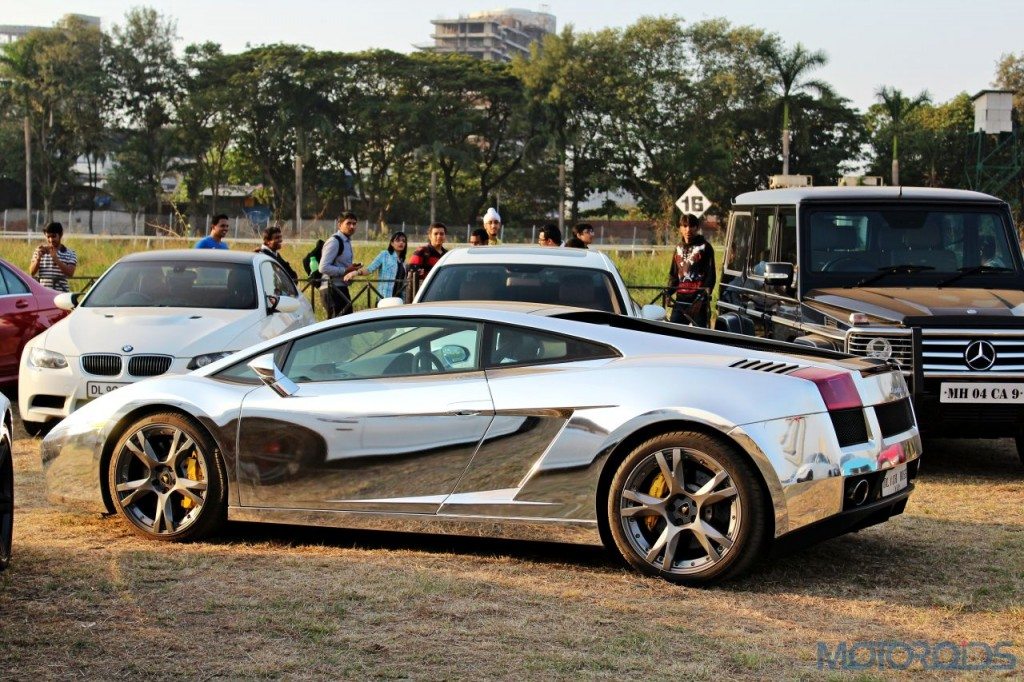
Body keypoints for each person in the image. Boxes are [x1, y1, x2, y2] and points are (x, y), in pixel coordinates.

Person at [668, 213, 716, 327]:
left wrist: (702, 299)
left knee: (699, 338)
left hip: (698, 302)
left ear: (697, 228)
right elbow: (674, 275)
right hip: (680, 301)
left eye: (691, 226)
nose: (688, 230)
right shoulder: (678, 248)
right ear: (680, 228)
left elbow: (710, 276)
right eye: (684, 226)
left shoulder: (705, 247)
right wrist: (668, 293)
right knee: (673, 334)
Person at [319, 212, 362, 318]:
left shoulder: (346, 241)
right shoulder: (334, 241)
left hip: (341, 288)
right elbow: (323, 267)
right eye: (348, 223)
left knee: (348, 324)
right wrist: (345, 270)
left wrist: (352, 269)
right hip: (332, 289)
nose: (352, 226)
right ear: (339, 225)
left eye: (354, 224)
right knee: (337, 328)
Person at [345, 231, 408, 301]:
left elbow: (404, 282)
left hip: (398, 300)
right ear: (392, 243)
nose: (401, 242)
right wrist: (355, 273)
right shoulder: (384, 255)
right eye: (398, 240)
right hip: (385, 298)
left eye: (403, 241)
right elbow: (369, 269)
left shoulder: (403, 262)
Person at [30, 222, 77, 292]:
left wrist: (56, 259)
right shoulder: (39, 250)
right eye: (48, 237)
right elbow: (32, 272)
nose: (51, 240)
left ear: (60, 235)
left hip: (61, 294)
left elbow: (70, 273)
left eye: (54, 236)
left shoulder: (70, 253)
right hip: (44, 294)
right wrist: (38, 259)